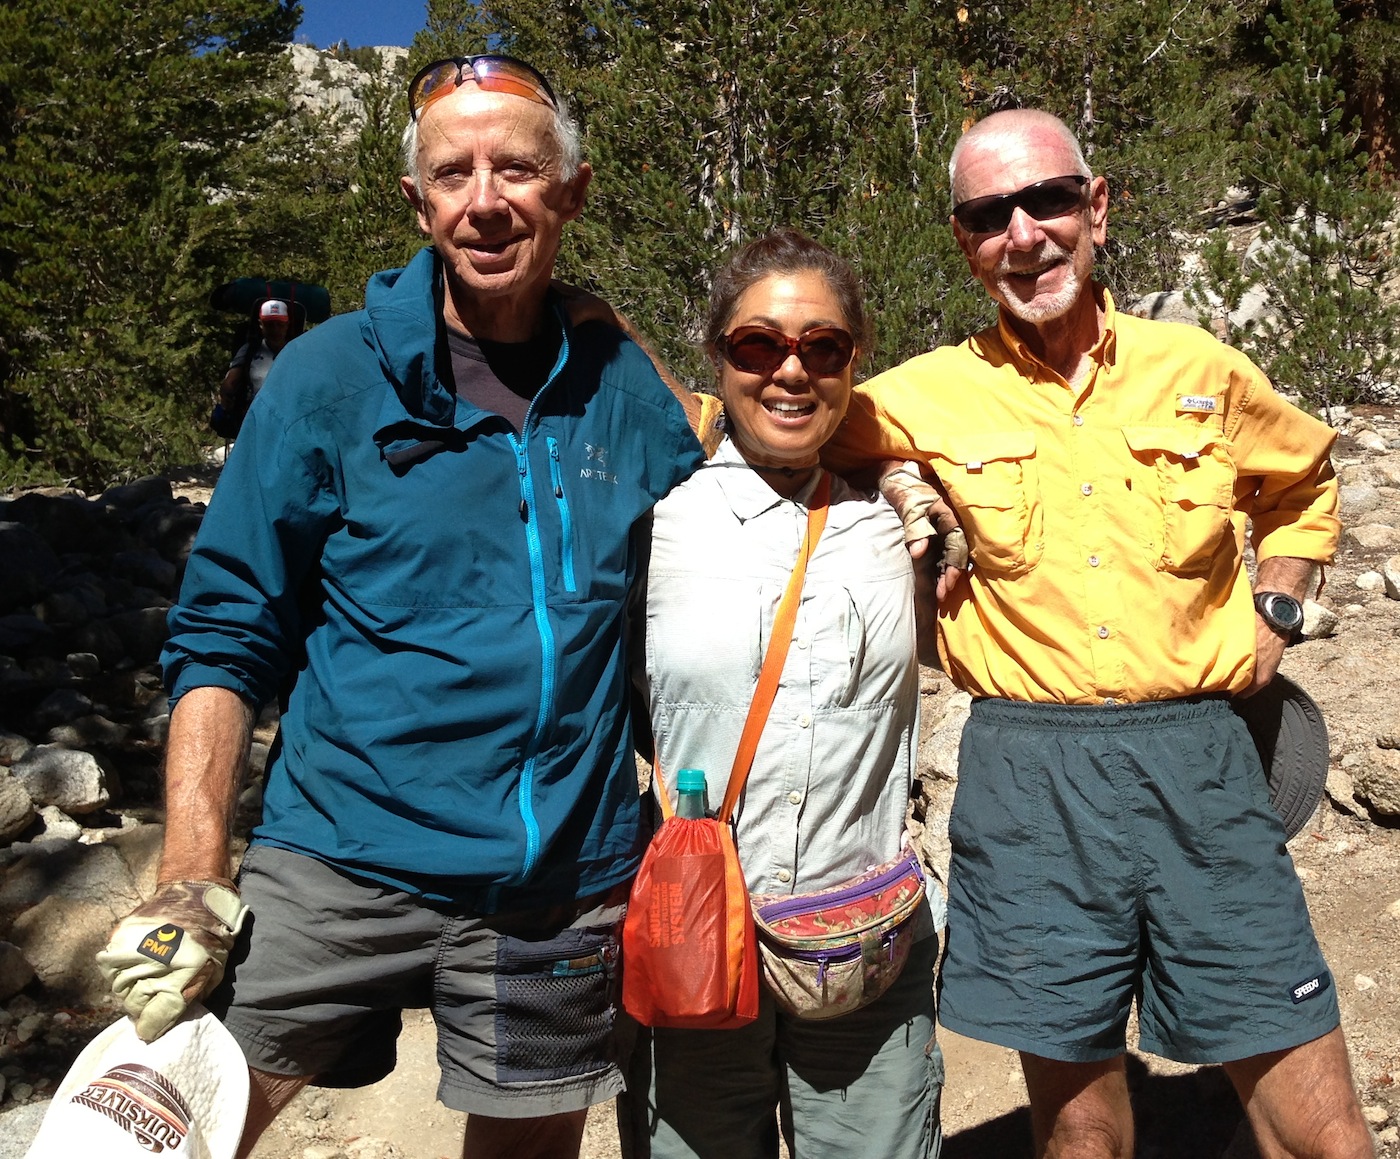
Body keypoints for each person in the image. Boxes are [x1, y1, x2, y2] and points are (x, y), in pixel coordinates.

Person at [98, 54, 705, 1159]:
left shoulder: (621, 385)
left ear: (570, 190)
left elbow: (721, 521)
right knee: (166, 1128)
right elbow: (227, 636)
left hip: (555, 884)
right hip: (339, 858)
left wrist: (895, 472)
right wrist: (191, 875)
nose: (484, 199)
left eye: (517, 168)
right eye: (452, 171)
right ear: (415, 200)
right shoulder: (328, 379)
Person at [825, 109, 1373, 1159]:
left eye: (1048, 200)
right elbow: (770, 418)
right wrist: (894, 472)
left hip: (1203, 762)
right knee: (1080, 1139)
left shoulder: (1199, 368)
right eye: (989, 214)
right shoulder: (919, 395)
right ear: (962, 240)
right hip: (1028, 776)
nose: (1023, 232)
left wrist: (1277, 606)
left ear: (1098, 208)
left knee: (1324, 1133)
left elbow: (1301, 483)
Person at [622, 229, 944, 1159]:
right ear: (719, 359)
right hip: (697, 932)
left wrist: (904, 475)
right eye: (759, 346)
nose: (790, 372)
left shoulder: (893, 520)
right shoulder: (656, 517)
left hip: (867, 941)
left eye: (823, 347)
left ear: (855, 362)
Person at [211, 298, 295, 438]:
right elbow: (230, 384)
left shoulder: (297, 351)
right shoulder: (249, 351)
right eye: (269, 324)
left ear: (287, 325)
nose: (275, 329)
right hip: (255, 420)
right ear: (260, 325)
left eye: (279, 324)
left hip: (289, 422)